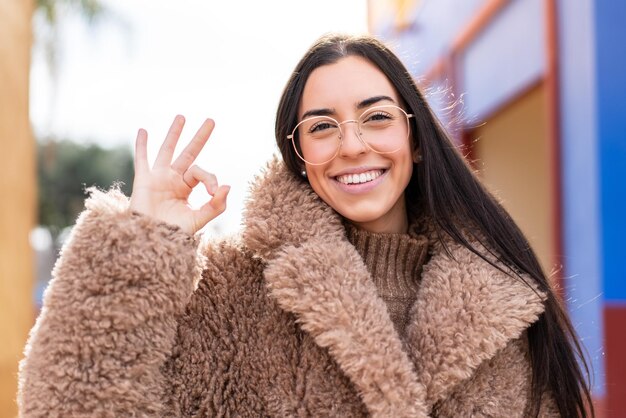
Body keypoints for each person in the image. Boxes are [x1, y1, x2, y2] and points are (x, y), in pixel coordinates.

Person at [18, 34, 593, 417]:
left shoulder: (501, 301)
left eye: (376, 117)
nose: (352, 145)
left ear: (415, 140)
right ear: (299, 155)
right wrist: (139, 247)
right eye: (322, 127)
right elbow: (72, 401)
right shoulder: (231, 294)